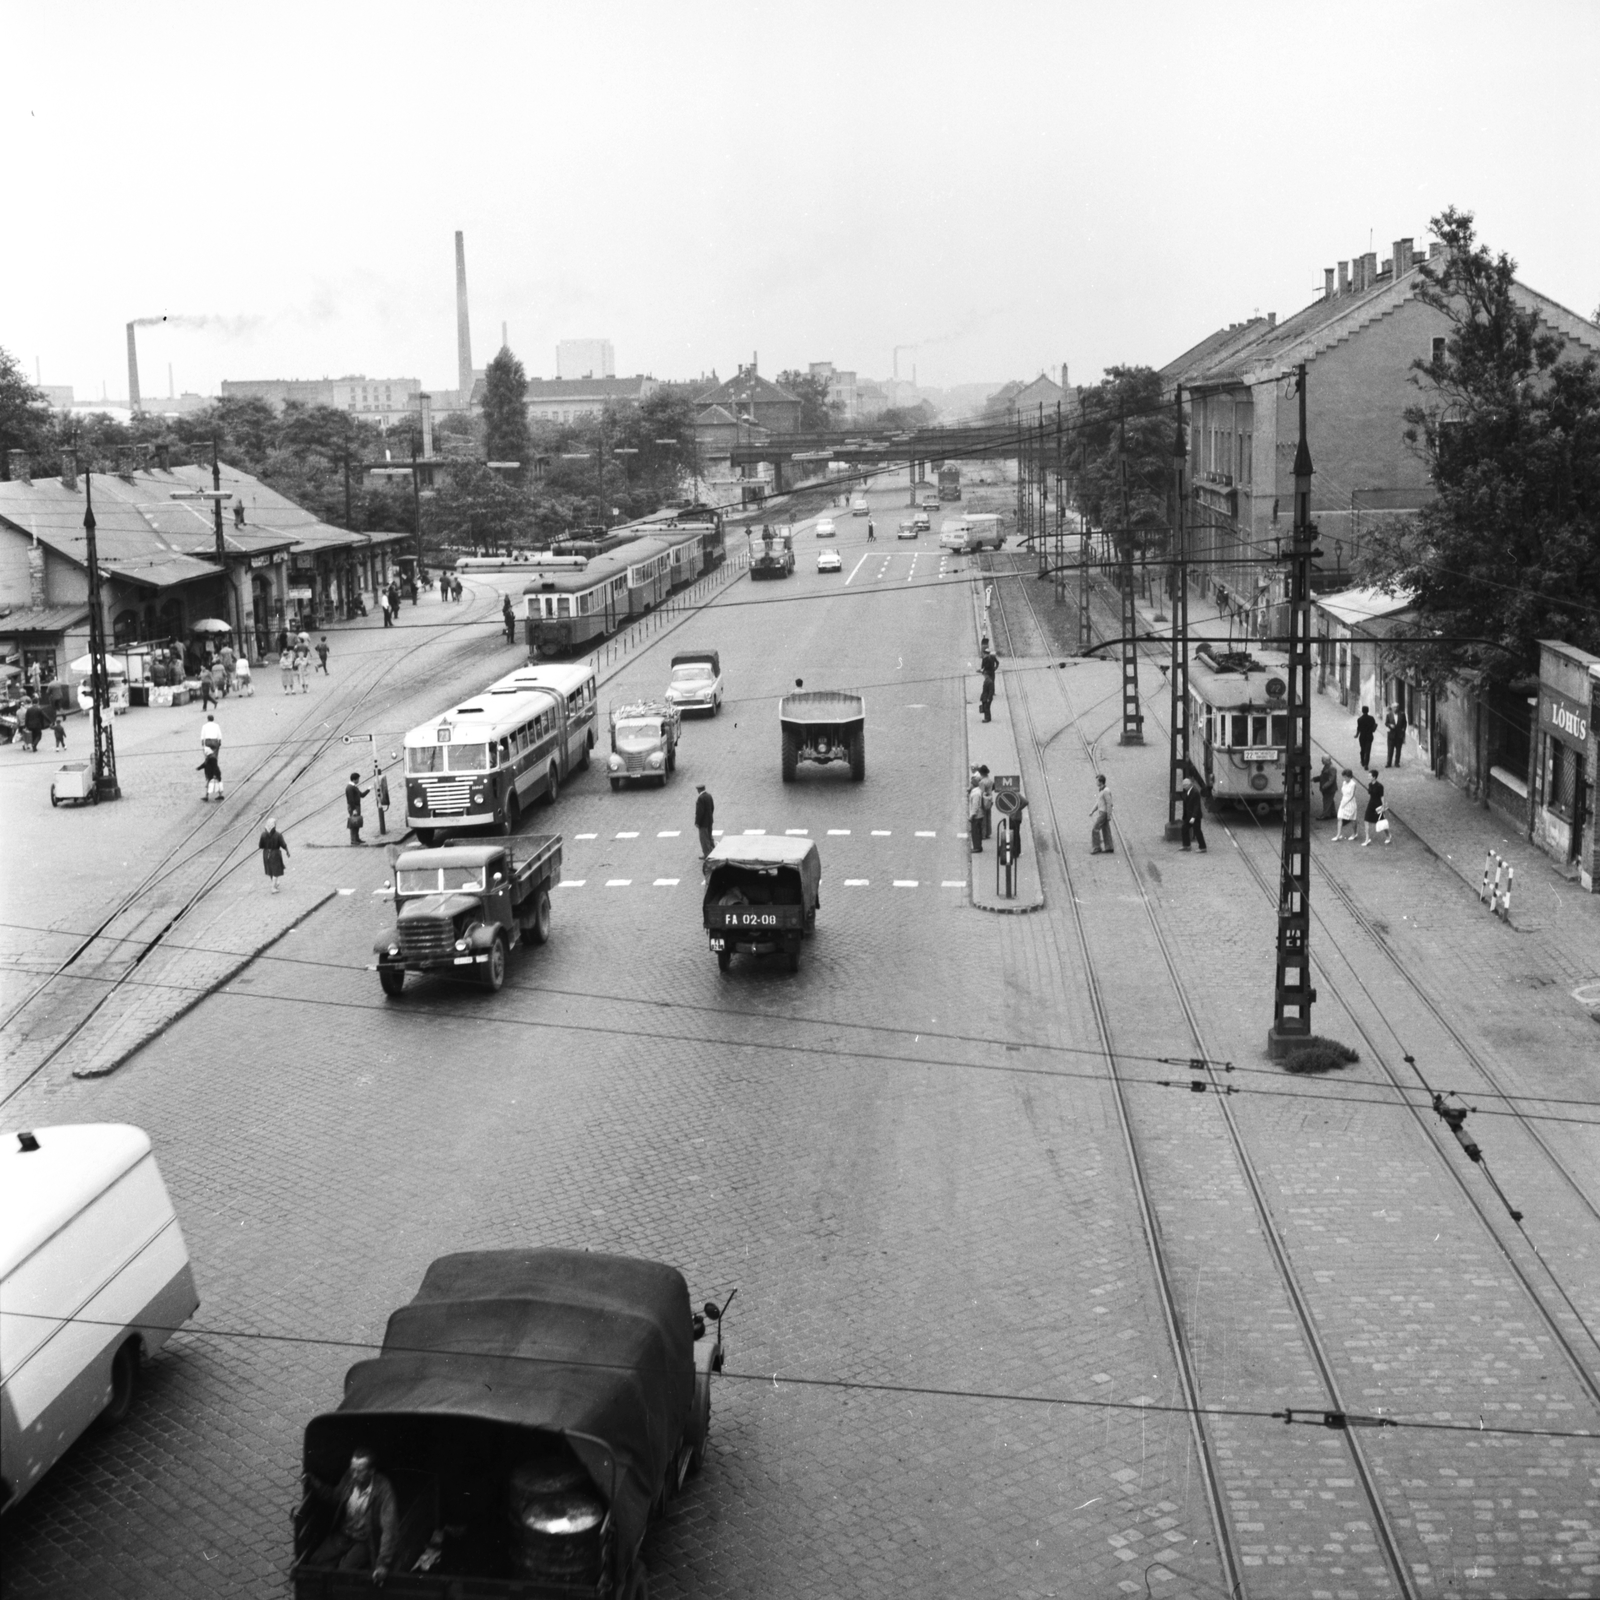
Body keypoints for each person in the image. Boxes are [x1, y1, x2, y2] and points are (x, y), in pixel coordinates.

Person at [304, 1447, 399, 1580]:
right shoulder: (350, 1477)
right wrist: (313, 1482)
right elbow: (335, 1496)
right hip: (345, 1534)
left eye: (359, 1471)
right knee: (316, 1561)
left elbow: (389, 1528)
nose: (354, 1475)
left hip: (365, 1540)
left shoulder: (383, 1489)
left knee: (344, 1571)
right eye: (352, 1469)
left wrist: (383, 1564)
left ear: (371, 1471)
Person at [258, 817, 289, 892]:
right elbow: (283, 844)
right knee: (276, 870)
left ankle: (275, 883)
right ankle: (273, 888)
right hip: (275, 854)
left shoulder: (263, 835)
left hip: (266, 854)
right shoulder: (278, 835)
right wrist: (287, 851)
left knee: (270, 869)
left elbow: (260, 846)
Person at [199, 715, 224, 802]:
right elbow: (219, 735)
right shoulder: (216, 726)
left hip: (208, 741)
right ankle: (214, 759)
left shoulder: (204, 726)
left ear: (207, 719)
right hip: (215, 741)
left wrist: (203, 744)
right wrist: (219, 742)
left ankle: (209, 760)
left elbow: (202, 736)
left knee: (208, 757)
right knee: (214, 757)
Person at [1179, 775, 1207, 852]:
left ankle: (1202, 847)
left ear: (1188, 785)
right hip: (1190, 816)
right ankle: (1186, 845)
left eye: (1184, 785)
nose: (1183, 787)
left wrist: (1193, 817)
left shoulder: (1195, 793)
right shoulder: (1190, 791)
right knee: (1184, 828)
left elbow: (1196, 806)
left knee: (1197, 831)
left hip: (1194, 817)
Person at [1362, 769, 1388, 846]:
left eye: (1370, 776)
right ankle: (1367, 839)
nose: (1368, 777)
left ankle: (1388, 835)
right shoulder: (1370, 784)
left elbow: (1382, 797)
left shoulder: (1380, 786)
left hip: (1378, 804)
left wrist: (1383, 807)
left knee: (1381, 821)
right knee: (1366, 820)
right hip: (1371, 804)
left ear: (1374, 777)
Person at [1089, 774, 1114, 855]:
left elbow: (1109, 803)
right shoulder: (1101, 790)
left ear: (1101, 782)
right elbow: (1099, 803)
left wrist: (1109, 815)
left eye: (1097, 781)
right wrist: (1092, 811)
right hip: (1103, 812)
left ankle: (1096, 847)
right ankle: (1109, 847)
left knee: (1095, 828)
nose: (1096, 782)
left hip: (1103, 813)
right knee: (1106, 829)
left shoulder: (1106, 791)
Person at [1332, 768, 1358, 841]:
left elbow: (1352, 795)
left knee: (1353, 819)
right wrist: (1343, 802)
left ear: (1350, 776)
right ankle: (1338, 835)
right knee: (1340, 817)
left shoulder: (1353, 784)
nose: (1345, 778)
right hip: (1343, 801)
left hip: (1350, 803)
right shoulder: (1344, 782)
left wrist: (1345, 803)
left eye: (1346, 777)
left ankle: (1354, 833)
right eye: (1344, 777)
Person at [345, 771, 370, 846]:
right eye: (358, 779)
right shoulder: (350, 788)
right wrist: (354, 809)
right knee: (354, 823)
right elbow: (350, 800)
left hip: (357, 806)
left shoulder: (354, 787)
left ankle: (357, 838)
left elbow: (361, 795)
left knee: (357, 822)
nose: (358, 780)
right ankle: (353, 840)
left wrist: (368, 789)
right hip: (354, 807)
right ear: (354, 779)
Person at [694, 784, 715, 870]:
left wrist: (697, 822)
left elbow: (700, 812)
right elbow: (712, 807)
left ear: (698, 790)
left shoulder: (700, 798)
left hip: (703, 823)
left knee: (704, 839)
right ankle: (713, 851)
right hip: (710, 820)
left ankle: (707, 854)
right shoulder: (709, 795)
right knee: (709, 837)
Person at [1316, 754, 1339, 821]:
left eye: (1323, 760)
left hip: (1329, 789)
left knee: (1326, 801)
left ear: (1327, 760)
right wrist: (1315, 779)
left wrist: (1324, 786)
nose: (1321, 761)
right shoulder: (1327, 766)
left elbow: (1331, 780)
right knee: (1330, 801)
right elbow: (1323, 776)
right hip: (1328, 789)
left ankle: (1325, 815)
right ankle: (1333, 813)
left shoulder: (1331, 768)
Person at [1355, 704, 1377, 769]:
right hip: (1369, 736)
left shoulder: (1359, 719)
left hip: (1362, 736)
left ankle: (1362, 761)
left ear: (1362, 711)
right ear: (1368, 711)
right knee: (1368, 750)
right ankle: (1366, 764)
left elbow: (1358, 728)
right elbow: (1374, 726)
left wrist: (1356, 735)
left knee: (1362, 749)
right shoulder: (1371, 718)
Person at [968, 776, 985, 853]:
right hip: (980, 815)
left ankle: (977, 847)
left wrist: (972, 816)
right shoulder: (979, 791)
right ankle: (978, 846)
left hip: (976, 816)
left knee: (975, 832)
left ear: (973, 784)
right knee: (978, 832)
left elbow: (975, 806)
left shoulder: (975, 793)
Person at [979, 764, 994, 840]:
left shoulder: (982, 782)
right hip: (990, 799)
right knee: (989, 816)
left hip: (984, 800)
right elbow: (992, 788)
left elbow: (981, 793)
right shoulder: (990, 780)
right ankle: (988, 832)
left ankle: (983, 834)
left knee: (983, 817)